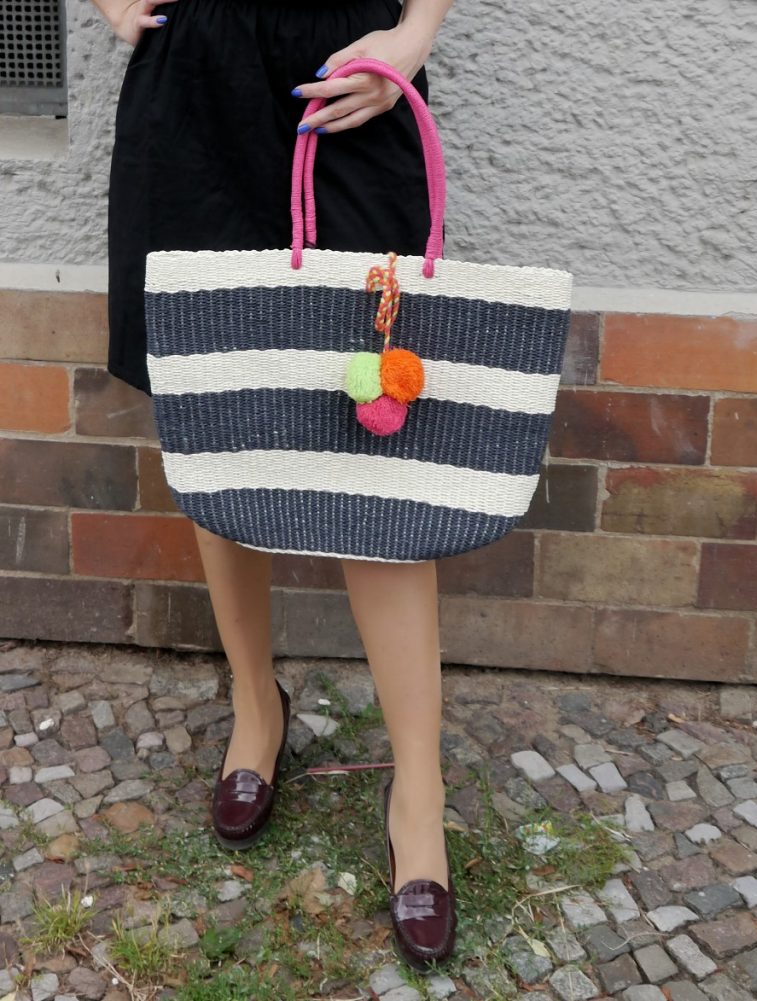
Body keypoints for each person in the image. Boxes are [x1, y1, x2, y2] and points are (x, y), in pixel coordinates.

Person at [91, 0, 457, 969]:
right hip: (195, 85)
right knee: (220, 416)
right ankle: (258, 707)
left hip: (349, 76)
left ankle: (418, 790)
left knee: (377, 442)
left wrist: (415, 34)